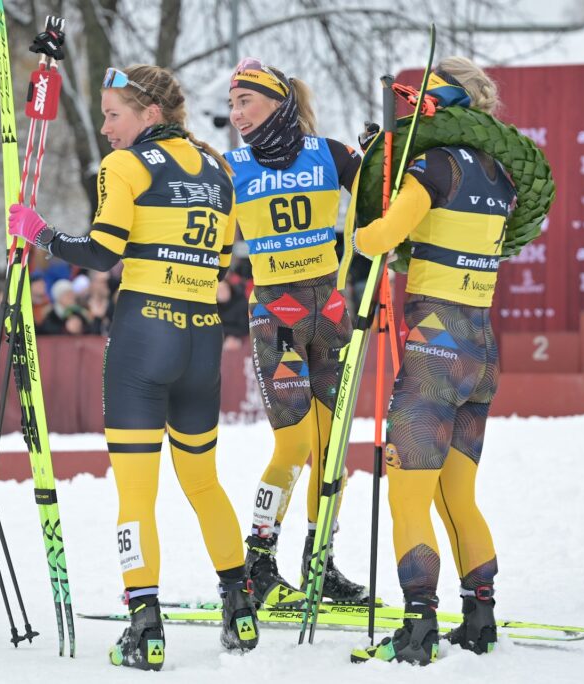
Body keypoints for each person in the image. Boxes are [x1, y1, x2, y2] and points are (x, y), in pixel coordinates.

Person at [7, 64, 259, 669]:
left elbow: (101, 251)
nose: (104, 127)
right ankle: (240, 611)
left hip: (145, 334)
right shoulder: (222, 171)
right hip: (202, 339)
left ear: (150, 114)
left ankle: (144, 627)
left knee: (136, 494)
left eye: (113, 113)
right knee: (204, 483)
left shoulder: (124, 166)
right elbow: (222, 261)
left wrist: (38, 231)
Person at [350, 58, 517, 665]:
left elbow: (380, 237)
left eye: (412, 98)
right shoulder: (501, 173)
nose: (407, 109)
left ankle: (418, 625)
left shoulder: (433, 165)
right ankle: (480, 616)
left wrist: (372, 182)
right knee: (459, 496)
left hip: (432, 352)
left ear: (437, 104)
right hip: (481, 349)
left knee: (409, 497)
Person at [226, 58, 367, 607]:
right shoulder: (232, 165)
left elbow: (387, 193)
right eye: (233, 104)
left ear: (277, 102)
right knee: (293, 443)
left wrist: (377, 155)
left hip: (331, 312)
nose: (237, 114)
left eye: (246, 101)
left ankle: (320, 563)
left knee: (333, 451)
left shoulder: (329, 154)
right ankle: (259, 561)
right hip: (277, 317)